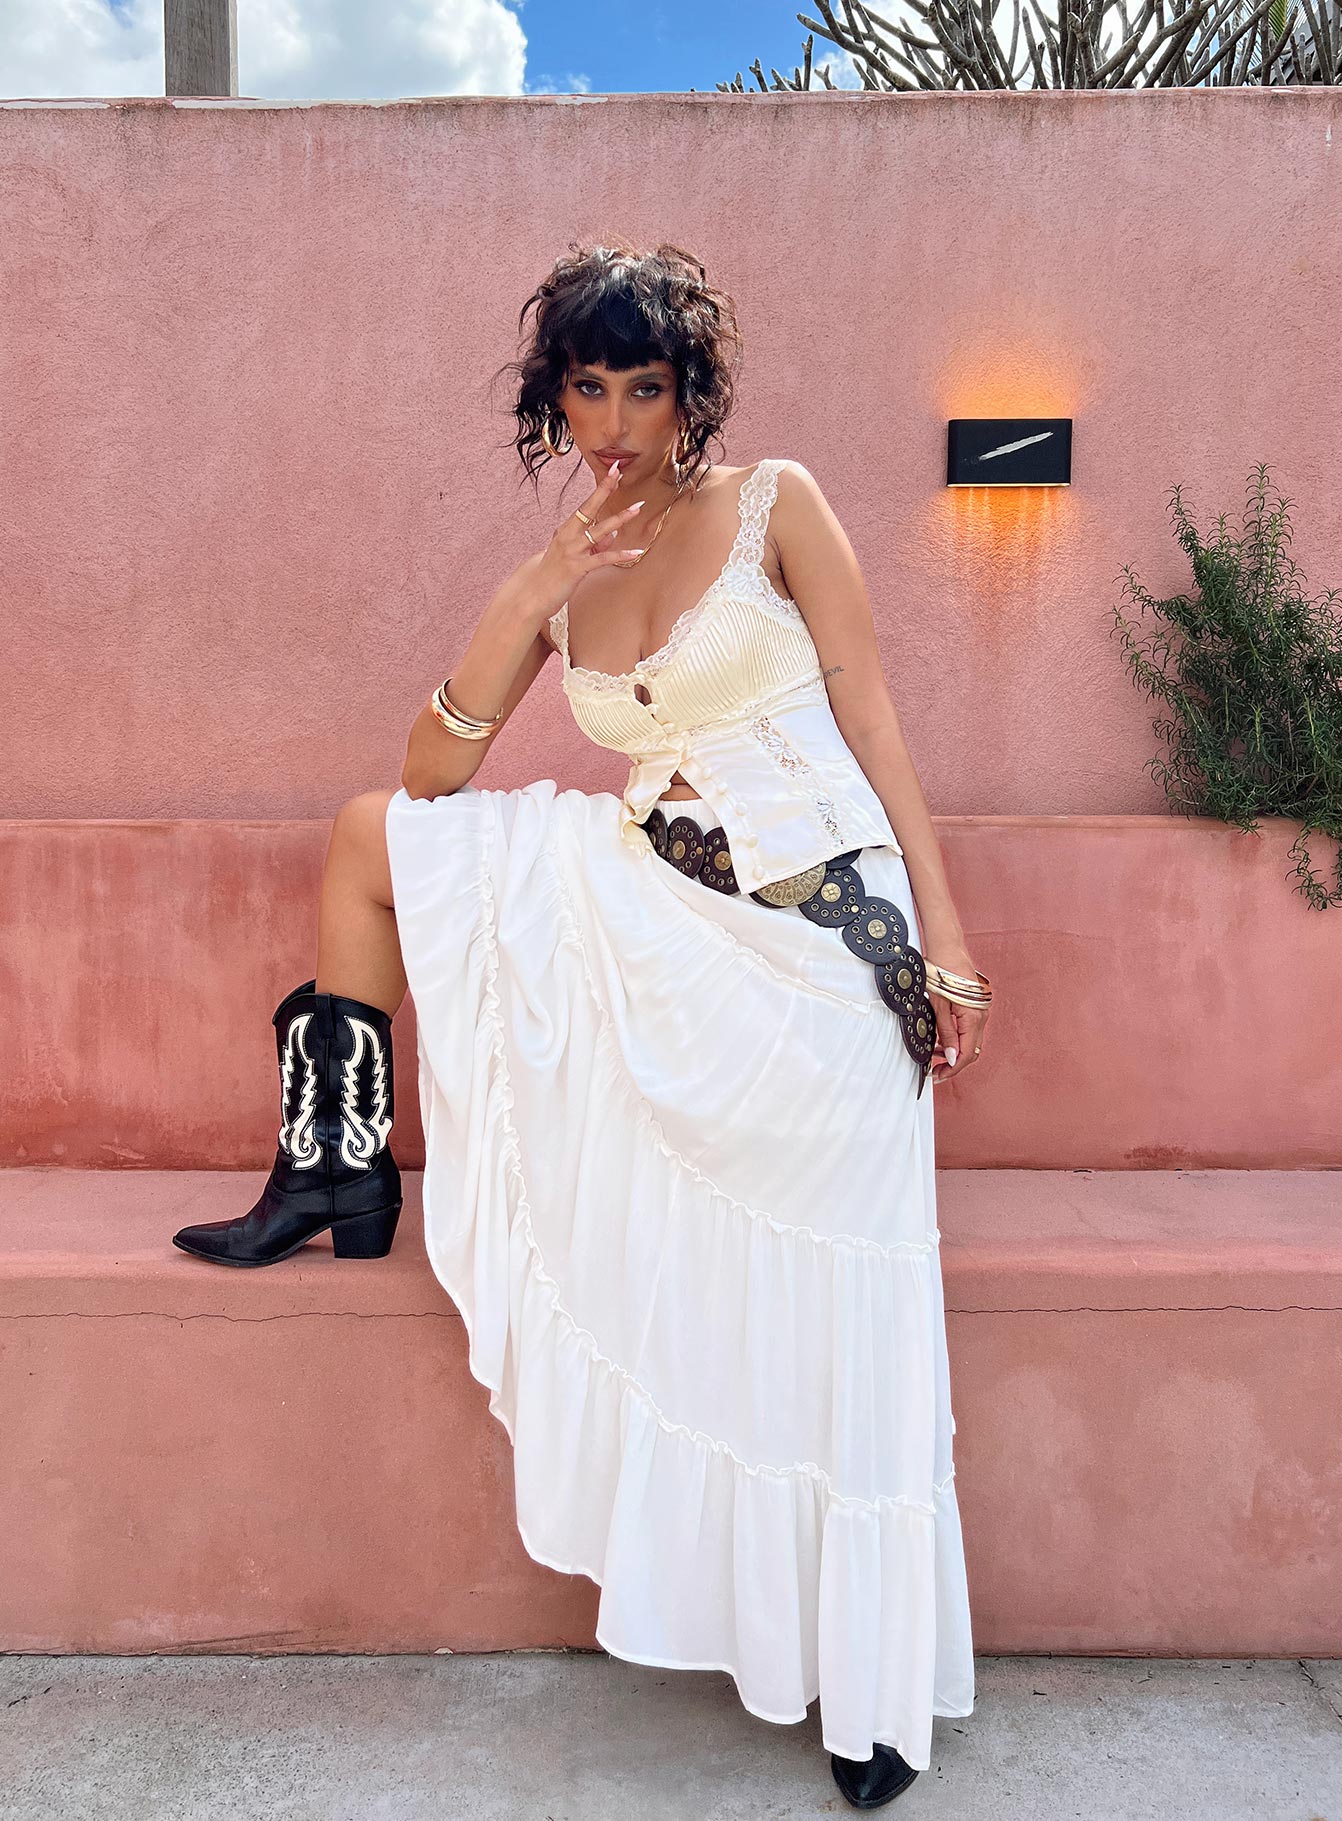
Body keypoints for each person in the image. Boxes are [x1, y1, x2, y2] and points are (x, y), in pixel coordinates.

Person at [171, 240, 990, 1809]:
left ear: (691, 396)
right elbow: (429, 777)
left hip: (822, 939)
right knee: (372, 836)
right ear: (554, 398)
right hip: (657, 906)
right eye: (587, 387)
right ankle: (334, 1159)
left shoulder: (776, 505)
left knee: (834, 1298)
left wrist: (942, 939)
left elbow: (873, 714)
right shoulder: (570, 567)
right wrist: (531, 592)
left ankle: (870, 1685)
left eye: (644, 387)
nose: (614, 421)